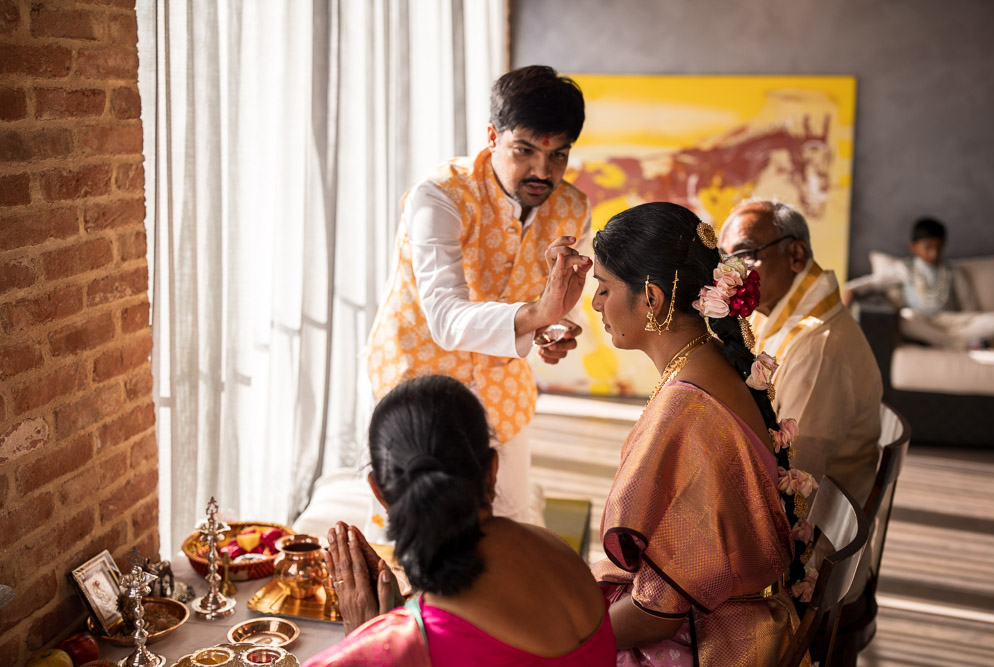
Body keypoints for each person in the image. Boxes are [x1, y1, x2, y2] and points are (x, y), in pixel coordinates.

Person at [364, 65, 592, 529]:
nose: (542, 172)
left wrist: (550, 330)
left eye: (558, 155)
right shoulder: (441, 197)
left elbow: (550, 302)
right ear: (492, 136)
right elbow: (446, 320)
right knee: (416, 526)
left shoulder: (573, 208)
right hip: (415, 381)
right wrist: (537, 315)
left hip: (501, 389)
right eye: (524, 151)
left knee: (514, 522)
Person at [589, 202, 813, 665]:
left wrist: (568, 638)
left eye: (603, 287)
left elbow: (658, 614)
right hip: (742, 616)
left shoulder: (685, 407)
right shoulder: (709, 360)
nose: (595, 303)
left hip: (718, 639)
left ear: (651, 298)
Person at [303, 375, 615, 667]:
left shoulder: (402, 644)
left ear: (379, 493)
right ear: (492, 471)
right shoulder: (560, 552)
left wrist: (369, 639)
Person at [719, 198, 882, 511]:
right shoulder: (767, 312)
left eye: (745, 254)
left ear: (796, 255)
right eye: (727, 259)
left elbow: (793, 481)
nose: (734, 272)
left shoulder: (817, 349)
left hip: (811, 544)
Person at [843, 216, 994, 349]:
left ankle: (949, 342)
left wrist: (971, 323)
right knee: (906, 319)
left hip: (953, 322)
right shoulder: (905, 268)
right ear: (913, 247)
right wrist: (852, 289)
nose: (934, 253)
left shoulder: (954, 271)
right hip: (923, 321)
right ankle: (962, 344)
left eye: (939, 248)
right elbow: (875, 282)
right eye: (928, 248)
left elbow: (969, 306)